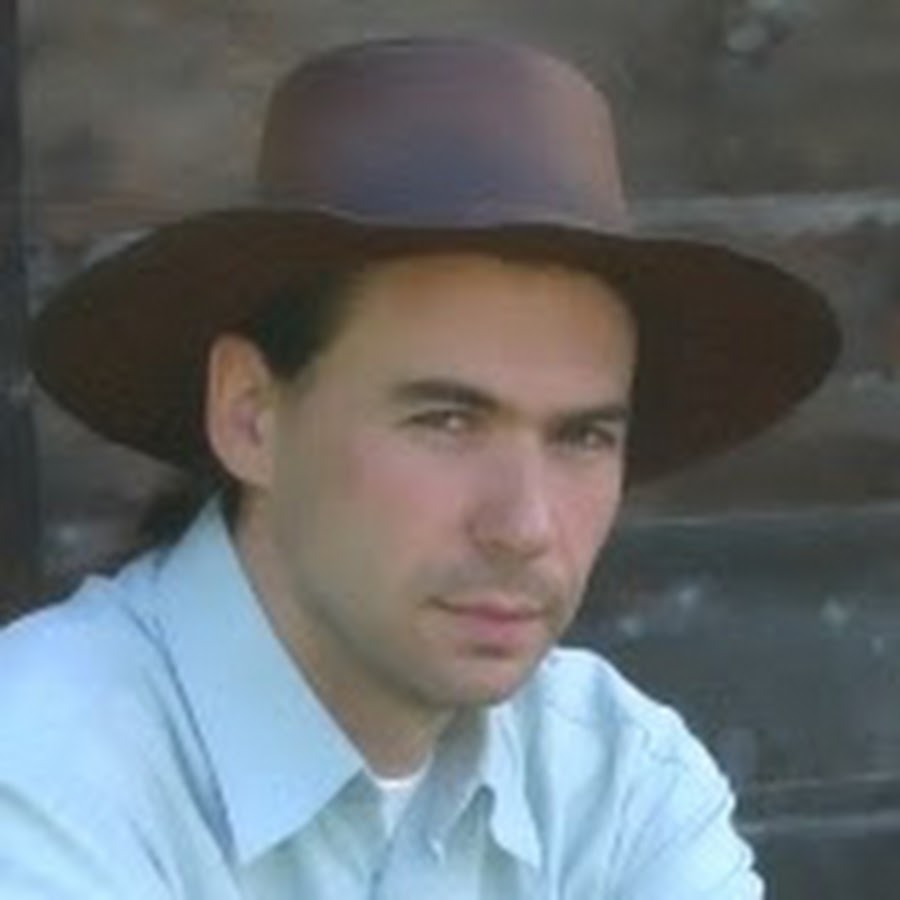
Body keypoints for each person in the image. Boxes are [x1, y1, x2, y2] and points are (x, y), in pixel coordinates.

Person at [1, 36, 838, 898]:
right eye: (446, 421)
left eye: (582, 437)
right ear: (250, 415)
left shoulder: (615, 779)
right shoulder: (38, 776)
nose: (524, 526)